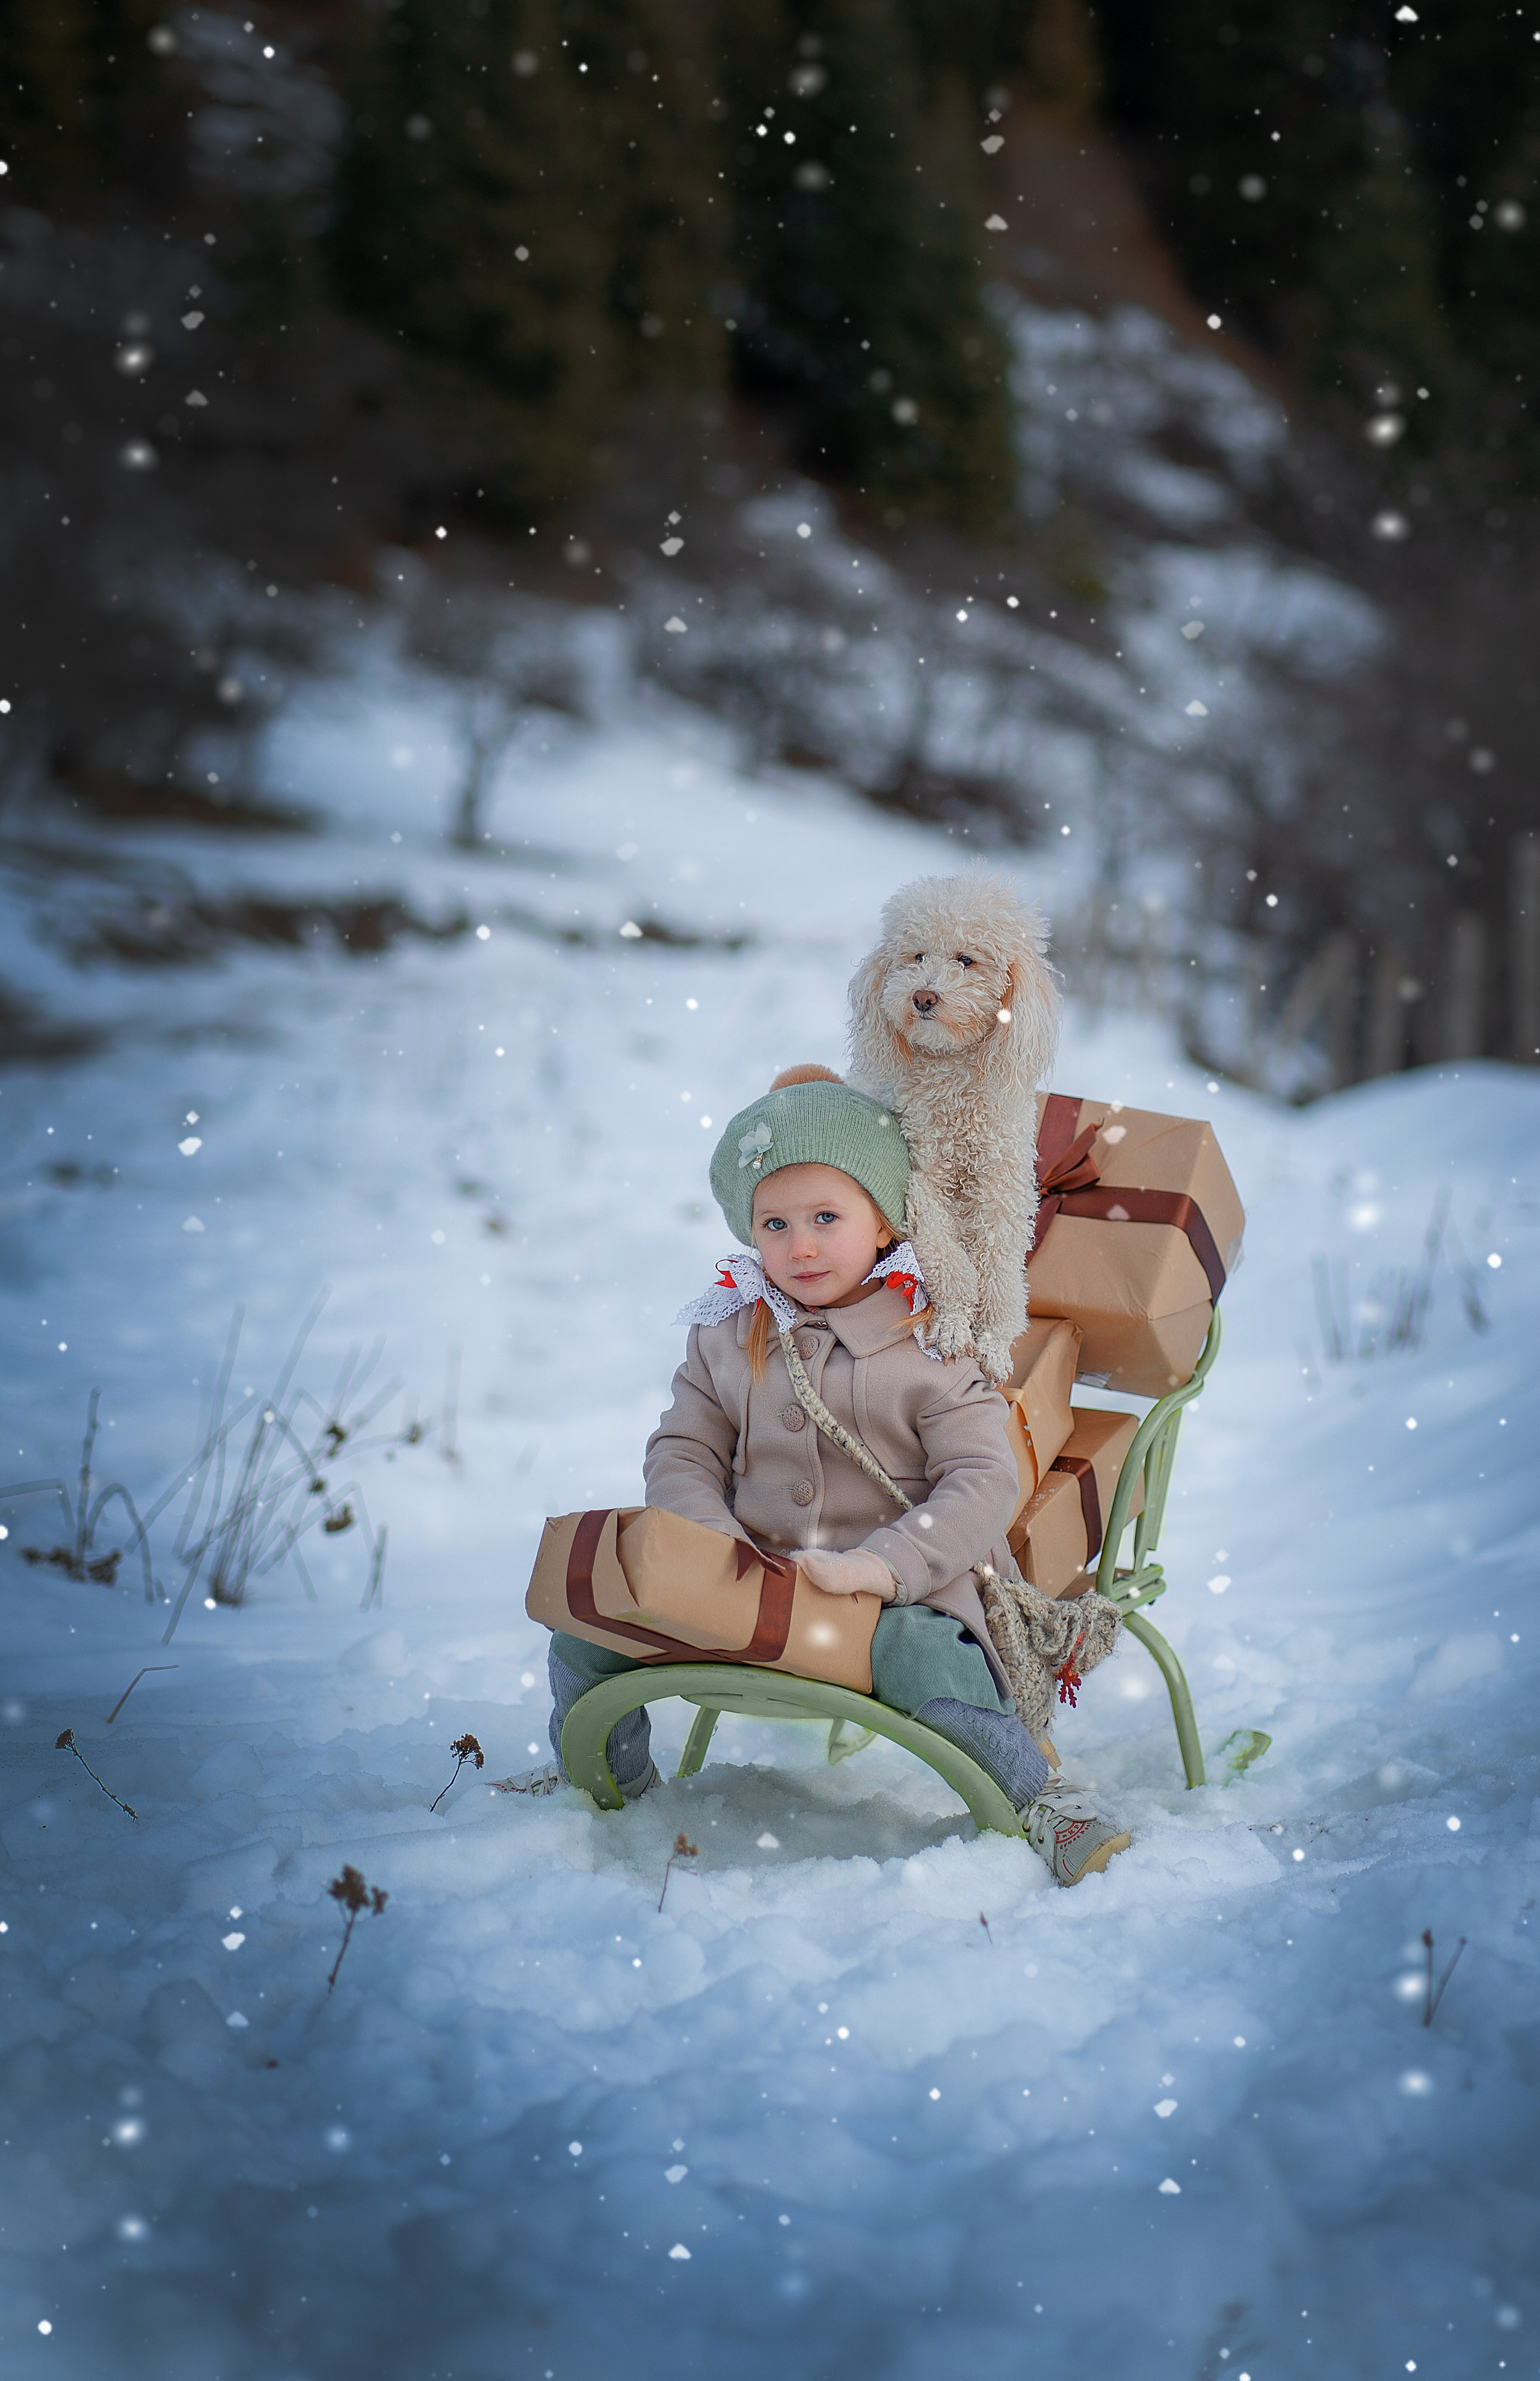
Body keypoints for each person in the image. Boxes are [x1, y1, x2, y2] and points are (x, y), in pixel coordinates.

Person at [516, 1067, 1129, 1887]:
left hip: (882, 1602)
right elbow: (683, 1448)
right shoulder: (731, 1328)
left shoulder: (930, 1336)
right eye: (775, 1222)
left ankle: (1034, 1796)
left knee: (932, 1658)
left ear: (883, 1224)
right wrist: (712, 1547)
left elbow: (983, 1479)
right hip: (740, 1585)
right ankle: (606, 1786)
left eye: (826, 1218)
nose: (799, 1245)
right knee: (589, 1622)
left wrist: (889, 1563)